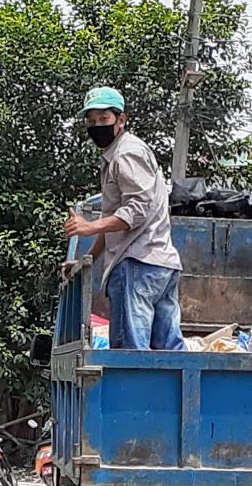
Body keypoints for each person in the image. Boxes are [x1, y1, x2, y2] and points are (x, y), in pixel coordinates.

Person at [62, 86, 184, 351]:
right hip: (158, 264)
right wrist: (87, 260)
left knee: (130, 354)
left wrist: (89, 226)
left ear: (121, 120)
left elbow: (137, 210)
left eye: (104, 119)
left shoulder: (126, 153)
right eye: (92, 121)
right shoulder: (118, 155)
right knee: (169, 354)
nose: (97, 126)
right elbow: (113, 223)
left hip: (136, 264)